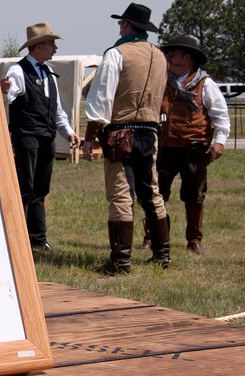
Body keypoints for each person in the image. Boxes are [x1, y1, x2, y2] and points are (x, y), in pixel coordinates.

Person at [81, 3, 169, 274]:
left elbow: (101, 100)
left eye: (122, 23)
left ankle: (120, 261)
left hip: (121, 134)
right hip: (150, 132)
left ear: (128, 25)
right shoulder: (160, 56)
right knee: (151, 192)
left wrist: (89, 137)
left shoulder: (116, 54)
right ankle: (162, 255)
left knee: (121, 195)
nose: (119, 27)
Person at [140, 35, 230, 255]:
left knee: (194, 196)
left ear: (188, 58)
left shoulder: (205, 84)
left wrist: (219, 142)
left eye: (175, 55)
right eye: (169, 54)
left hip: (194, 150)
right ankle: (153, 238)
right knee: (156, 195)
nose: (170, 58)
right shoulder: (160, 82)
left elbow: (221, 116)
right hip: (164, 148)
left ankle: (194, 240)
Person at [1, 21, 80, 253]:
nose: (55, 49)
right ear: (39, 46)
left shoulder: (49, 74)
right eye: (52, 44)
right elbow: (10, 97)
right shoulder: (17, 71)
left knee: (41, 189)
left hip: (46, 137)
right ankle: (17, 238)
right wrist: (5, 89)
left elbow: (57, 111)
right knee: (25, 187)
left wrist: (69, 132)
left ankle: (37, 237)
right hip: (26, 135)